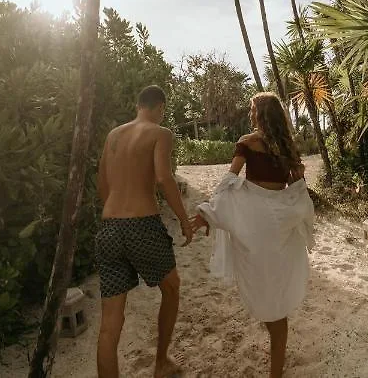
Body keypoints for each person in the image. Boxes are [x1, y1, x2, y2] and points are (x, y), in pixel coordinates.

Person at [192, 92, 314, 378]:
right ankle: (276, 367)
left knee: (263, 289)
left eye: (252, 109)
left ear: (259, 114)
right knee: (277, 293)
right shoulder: (287, 148)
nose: (250, 113)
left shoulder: (247, 142)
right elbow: (298, 193)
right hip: (279, 228)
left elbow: (229, 182)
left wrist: (211, 211)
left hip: (256, 228)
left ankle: (275, 365)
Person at [96, 84, 193, 378]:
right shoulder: (160, 133)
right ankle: (161, 363)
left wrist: (116, 214)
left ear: (139, 105)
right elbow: (164, 178)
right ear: (160, 108)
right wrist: (184, 220)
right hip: (142, 227)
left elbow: (102, 184)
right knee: (172, 287)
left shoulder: (113, 136)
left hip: (109, 228)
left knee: (110, 323)